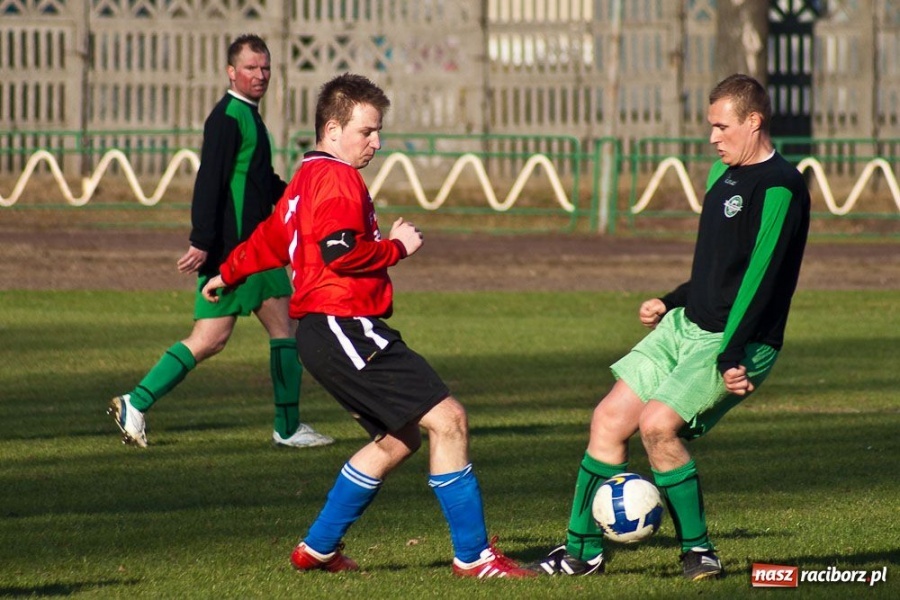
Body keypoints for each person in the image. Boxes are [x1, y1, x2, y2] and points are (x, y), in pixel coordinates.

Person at [201, 73, 534, 579]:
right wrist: (397, 246)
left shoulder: (302, 182)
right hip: (343, 325)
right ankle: (474, 558)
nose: (376, 143)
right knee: (450, 420)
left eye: (379, 132)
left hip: (321, 331)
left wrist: (226, 272)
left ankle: (318, 548)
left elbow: (269, 240)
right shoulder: (337, 178)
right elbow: (340, 251)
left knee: (401, 438)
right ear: (332, 130)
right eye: (367, 132)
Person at [527, 73, 810, 580]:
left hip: (738, 339)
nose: (712, 137)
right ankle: (581, 552)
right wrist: (671, 299)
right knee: (609, 420)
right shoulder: (718, 178)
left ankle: (699, 552)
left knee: (658, 426)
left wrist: (731, 355)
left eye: (722, 127)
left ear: (754, 121)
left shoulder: (782, 187)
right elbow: (715, 268)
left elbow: (761, 278)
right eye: (710, 127)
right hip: (686, 325)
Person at [108, 34, 332, 449]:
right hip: (240, 251)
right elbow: (208, 181)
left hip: (252, 248)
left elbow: (259, 182)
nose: (260, 74)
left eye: (265, 67)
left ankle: (135, 404)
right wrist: (202, 241)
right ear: (232, 72)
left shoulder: (248, 116)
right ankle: (286, 428)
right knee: (262, 332)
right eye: (251, 67)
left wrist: (299, 199)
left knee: (229, 335)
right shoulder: (228, 117)